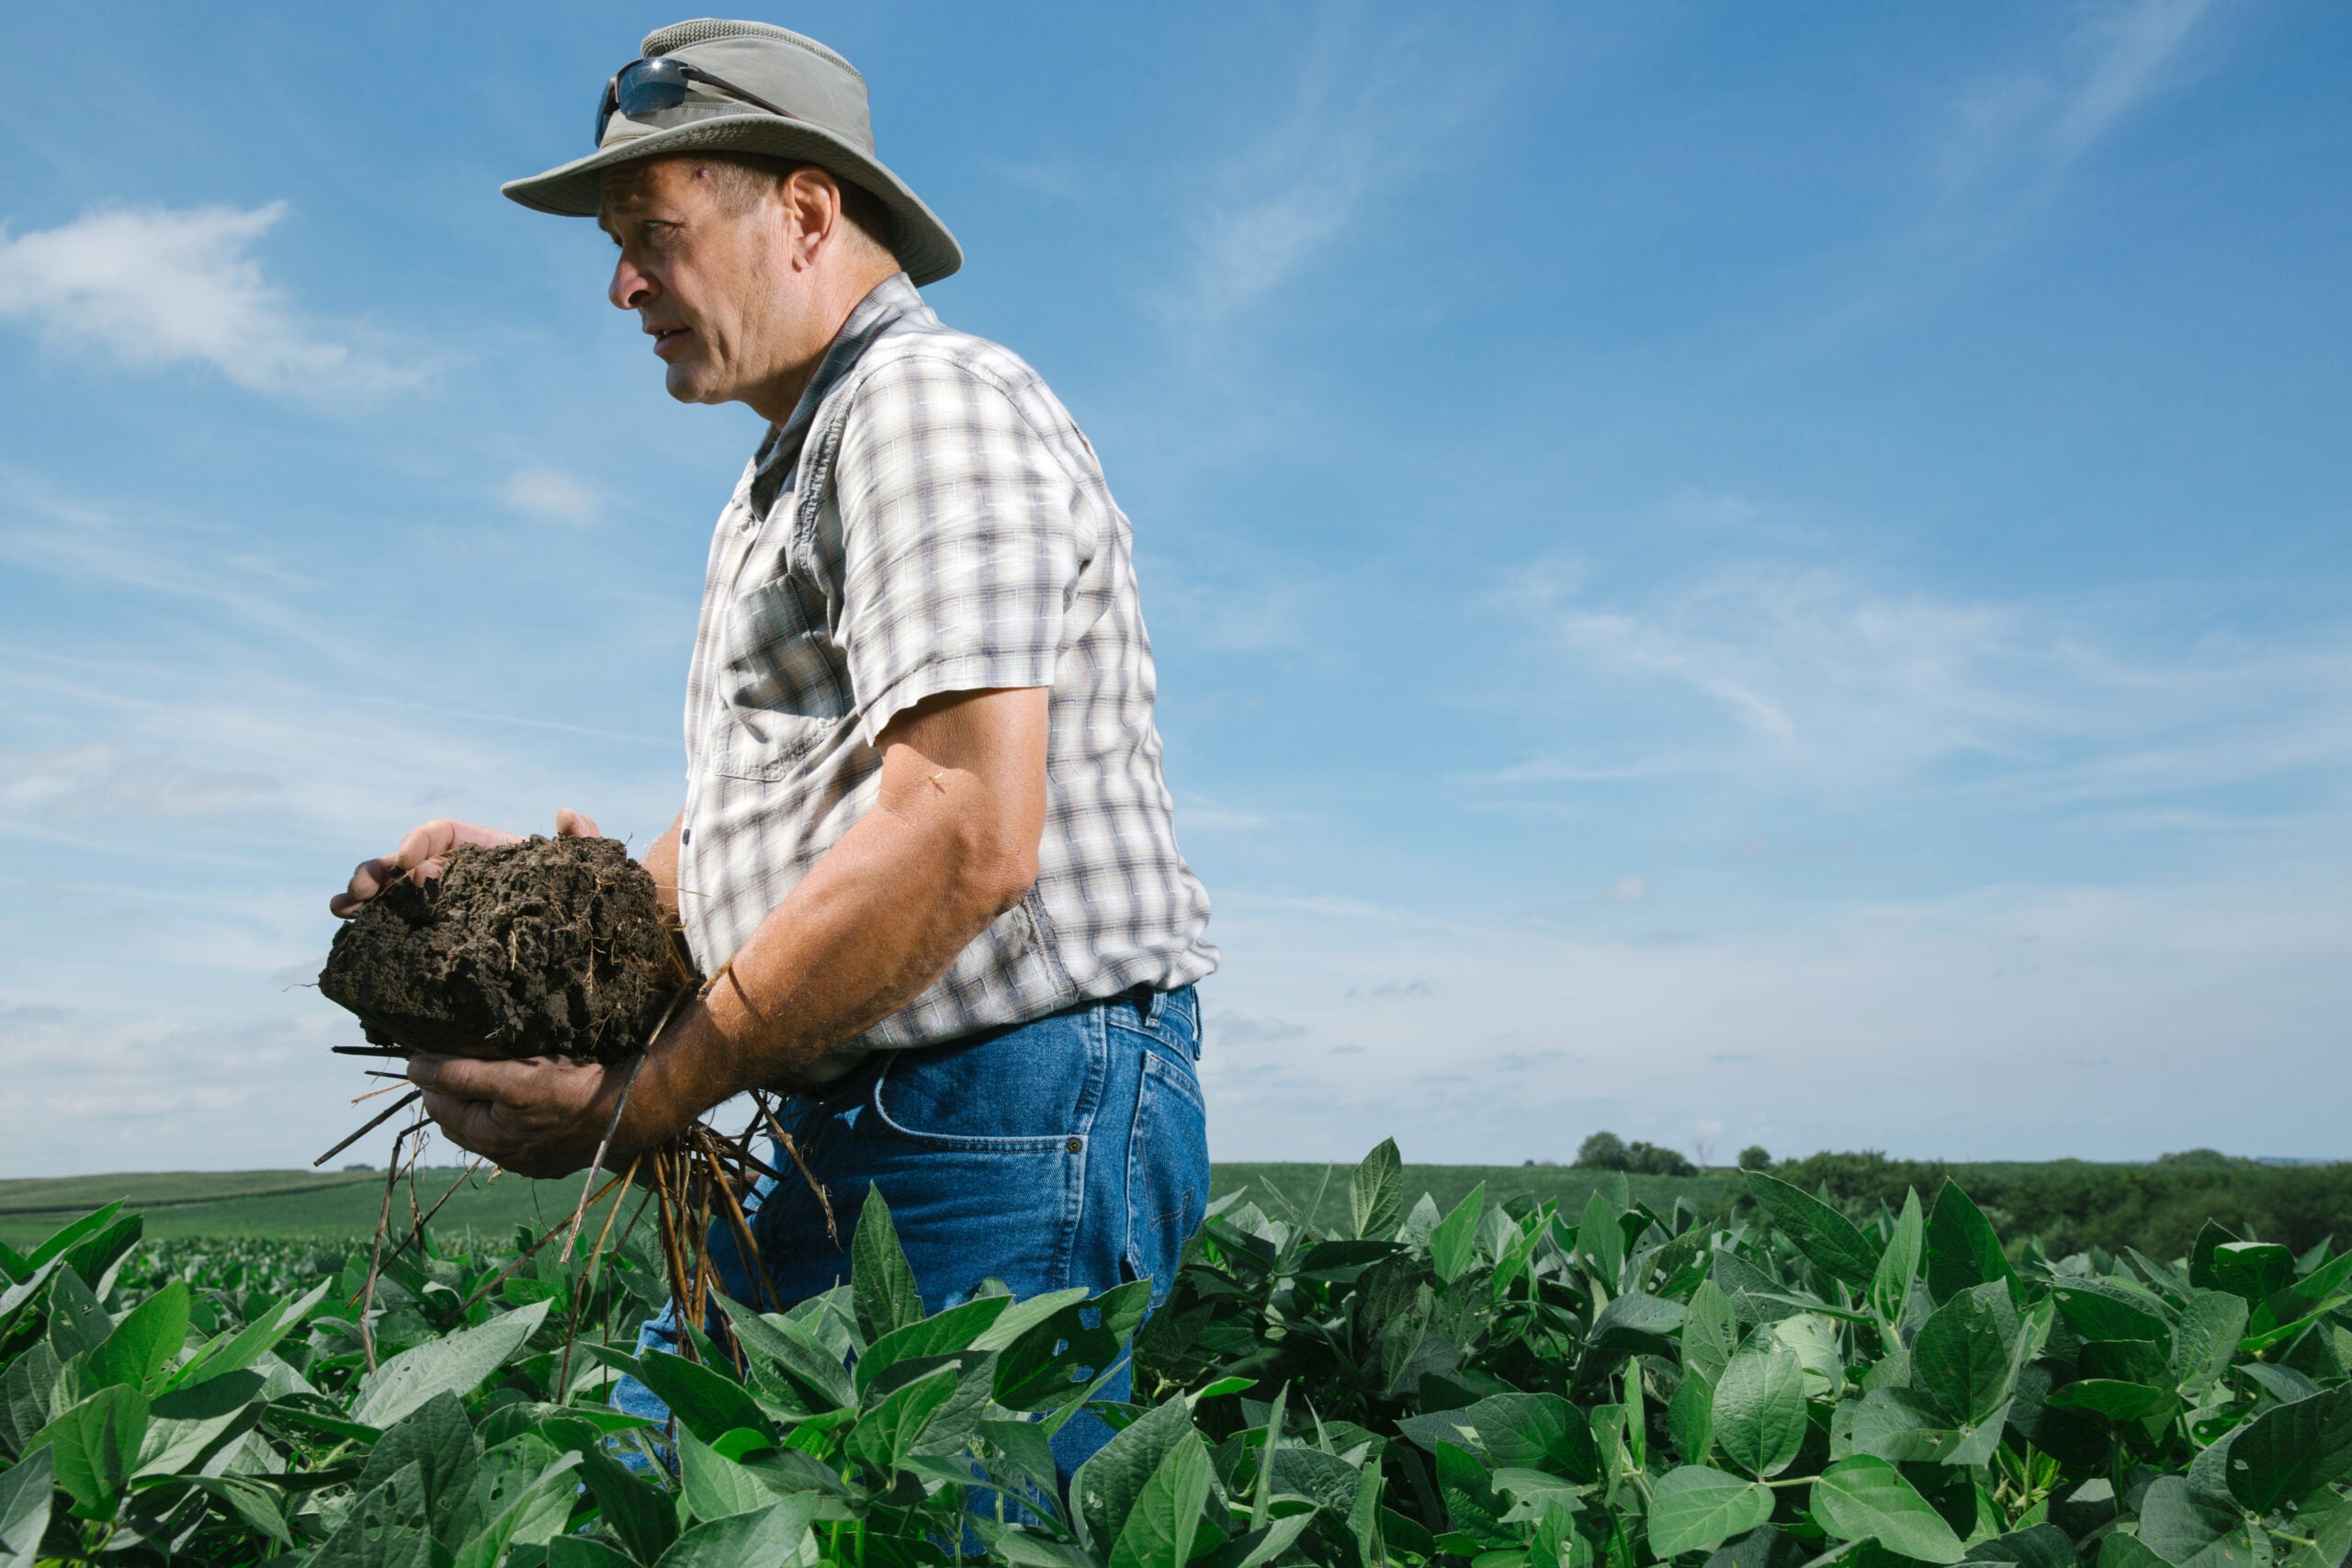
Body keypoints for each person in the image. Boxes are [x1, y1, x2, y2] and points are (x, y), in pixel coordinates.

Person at [330, 17, 1216, 1477]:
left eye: (652, 235)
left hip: (993, 1106)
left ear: (806, 211)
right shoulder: (789, 470)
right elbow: (790, 817)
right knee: (661, 1494)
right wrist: (549, 905)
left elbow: (960, 834)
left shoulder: (923, 407)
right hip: (853, 1113)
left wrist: (648, 1098)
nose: (622, 286)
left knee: (910, 1521)